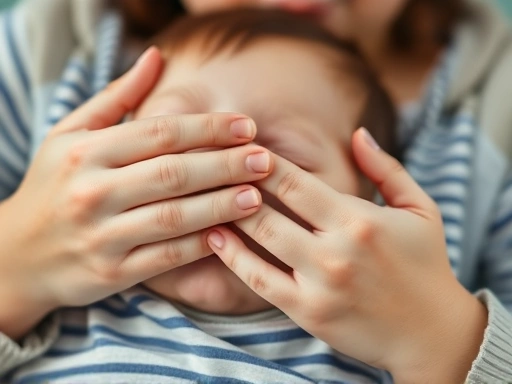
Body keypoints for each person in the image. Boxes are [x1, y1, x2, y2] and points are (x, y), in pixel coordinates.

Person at [0, 0, 511, 383]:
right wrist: (18, 263)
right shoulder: (42, 49)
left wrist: (439, 338)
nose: (218, 174)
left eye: (275, 157)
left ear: (369, 202)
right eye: (180, 134)